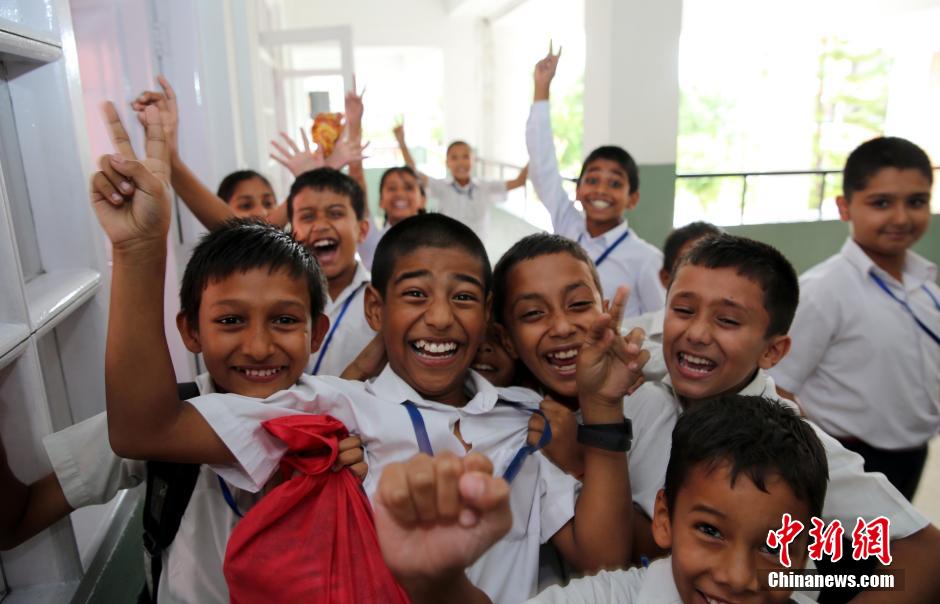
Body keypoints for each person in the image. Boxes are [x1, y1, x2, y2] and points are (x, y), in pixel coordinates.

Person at [0, 104, 365, 603]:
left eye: (284, 320)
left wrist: (140, 251)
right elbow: (16, 519)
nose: (259, 347)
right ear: (191, 331)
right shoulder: (159, 410)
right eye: (230, 321)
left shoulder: (339, 414)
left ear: (315, 331)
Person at [185, 213, 645, 604]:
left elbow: (603, 561)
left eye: (463, 297)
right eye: (415, 295)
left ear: (486, 314)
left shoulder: (525, 419)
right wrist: (146, 248)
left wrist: (603, 408)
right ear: (375, 308)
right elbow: (152, 430)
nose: (440, 318)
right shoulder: (338, 404)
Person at [619, 233, 940, 601]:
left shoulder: (791, 447)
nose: (696, 333)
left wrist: (803, 586)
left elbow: (927, 552)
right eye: (684, 310)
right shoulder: (647, 380)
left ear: (772, 351)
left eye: (727, 320)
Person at [374, 394, 828, 604]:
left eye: (774, 546)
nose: (736, 576)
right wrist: (438, 582)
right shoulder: (611, 599)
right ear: (664, 518)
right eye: (710, 531)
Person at [770, 137, 938, 501]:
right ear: (845, 207)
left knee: (892, 535)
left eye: (916, 201)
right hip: (846, 458)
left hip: (912, 451)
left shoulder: (926, 283)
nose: (901, 218)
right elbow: (778, 384)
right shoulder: (822, 290)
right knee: (850, 541)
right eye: (881, 203)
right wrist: (813, 456)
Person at [526, 44, 664, 315]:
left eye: (615, 184)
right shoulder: (568, 225)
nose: (601, 190)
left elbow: (659, 325)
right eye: (592, 180)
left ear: (632, 198)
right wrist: (542, 88)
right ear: (578, 191)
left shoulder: (646, 259)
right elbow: (543, 167)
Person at [394, 120, 528, 245]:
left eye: (465, 157)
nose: (460, 163)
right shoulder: (441, 187)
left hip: (476, 249)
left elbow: (519, 181)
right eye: (454, 158)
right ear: (447, 163)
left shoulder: (485, 187)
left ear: (473, 160)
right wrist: (402, 142)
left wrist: (536, 147)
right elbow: (414, 173)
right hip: (448, 247)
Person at [622, 221, 722, 381]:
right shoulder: (628, 333)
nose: (706, 276)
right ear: (665, 277)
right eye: (690, 263)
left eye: (717, 264)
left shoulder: (740, 337)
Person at [358, 165, 427, 270]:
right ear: (381, 201)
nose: (399, 193)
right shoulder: (372, 241)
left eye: (409, 188)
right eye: (392, 188)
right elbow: (358, 186)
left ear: (423, 200)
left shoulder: (437, 241)